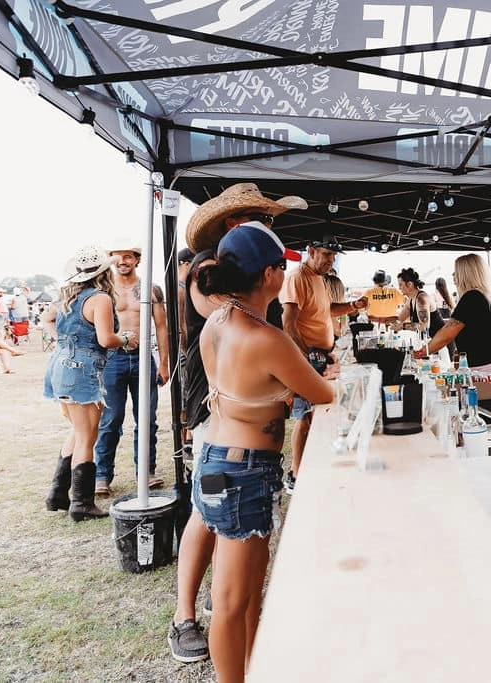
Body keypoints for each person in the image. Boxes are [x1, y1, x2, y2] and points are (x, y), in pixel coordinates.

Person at [169, 183, 308, 664]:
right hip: (225, 421)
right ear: (234, 223)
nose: (270, 225)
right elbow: (243, 337)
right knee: (217, 550)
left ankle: (243, 648)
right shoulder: (213, 274)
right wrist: (282, 375)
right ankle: (186, 615)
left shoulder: (226, 282)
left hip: (235, 425)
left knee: (238, 573)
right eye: (263, 219)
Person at [194, 223, 335, 682]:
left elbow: (251, 388)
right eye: (281, 266)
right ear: (271, 275)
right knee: (232, 602)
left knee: (248, 593)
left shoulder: (218, 322)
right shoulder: (265, 337)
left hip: (218, 459)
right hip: (243, 472)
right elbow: (323, 393)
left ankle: (254, 670)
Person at [43, 246, 135, 521]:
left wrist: (64, 342)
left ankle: (58, 494)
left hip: (59, 365)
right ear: (104, 272)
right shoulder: (100, 298)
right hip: (81, 370)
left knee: (77, 430)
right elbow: (107, 339)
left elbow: (47, 320)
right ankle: (82, 504)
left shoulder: (66, 295)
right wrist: (127, 338)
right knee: (87, 436)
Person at [280, 234, 367, 491]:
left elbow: (327, 310)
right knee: (305, 417)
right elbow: (288, 322)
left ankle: (310, 467)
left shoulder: (319, 279)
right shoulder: (297, 277)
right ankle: (296, 474)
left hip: (321, 356)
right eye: (327, 254)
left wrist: (354, 305)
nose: (331, 260)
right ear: (311, 251)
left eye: (334, 255)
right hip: (308, 357)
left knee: (319, 415)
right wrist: (306, 356)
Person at [92, 245, 170, 494]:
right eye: (118, 257)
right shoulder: (104, 290)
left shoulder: (150, 289)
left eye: (128, 256)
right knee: (110, 419)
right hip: (112, 358)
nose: (122, 261)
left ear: (137, 259)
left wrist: (164, 362)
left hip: (143, 357)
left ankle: (146, 472)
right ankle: (102, 476)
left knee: (147, 419)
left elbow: (162, 326)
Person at [415, 254, 491, 391]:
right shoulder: (482, 295)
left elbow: (447, 334)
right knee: (489, 399)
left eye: (456, 272)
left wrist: (420, 352)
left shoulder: (472, 297)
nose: (454, 277)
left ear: (465, 274)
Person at [395, 267, 454, 355]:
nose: (399, 288)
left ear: (410, 284)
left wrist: (402, 326)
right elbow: (398, 320)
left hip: (442, 343)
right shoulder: (410, 300)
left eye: (401, 285)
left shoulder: (421, 299)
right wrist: (380, 319)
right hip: (430, 342)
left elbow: (424, 326)